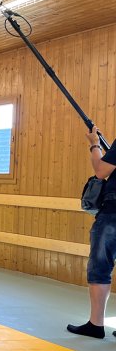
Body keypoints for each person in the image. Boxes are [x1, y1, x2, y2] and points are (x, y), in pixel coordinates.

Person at [67, 125, 116, 338]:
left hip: (113, 213)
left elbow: (101, 170)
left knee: (100, 266)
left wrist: (95, 144)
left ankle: (96, 325)